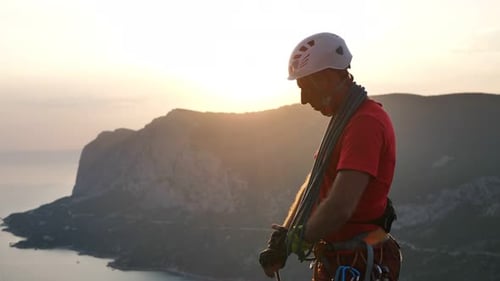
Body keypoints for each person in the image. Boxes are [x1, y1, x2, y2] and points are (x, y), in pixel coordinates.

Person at [259, 32, 402, 281]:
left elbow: (340, 206)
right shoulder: (345, 121)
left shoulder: (365, 123)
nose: (304, 100)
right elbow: (315, 183)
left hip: (355, 261)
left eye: (305, 87)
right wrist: (286, 233)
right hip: (341, 260)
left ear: (326, 77)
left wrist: (299, 240)